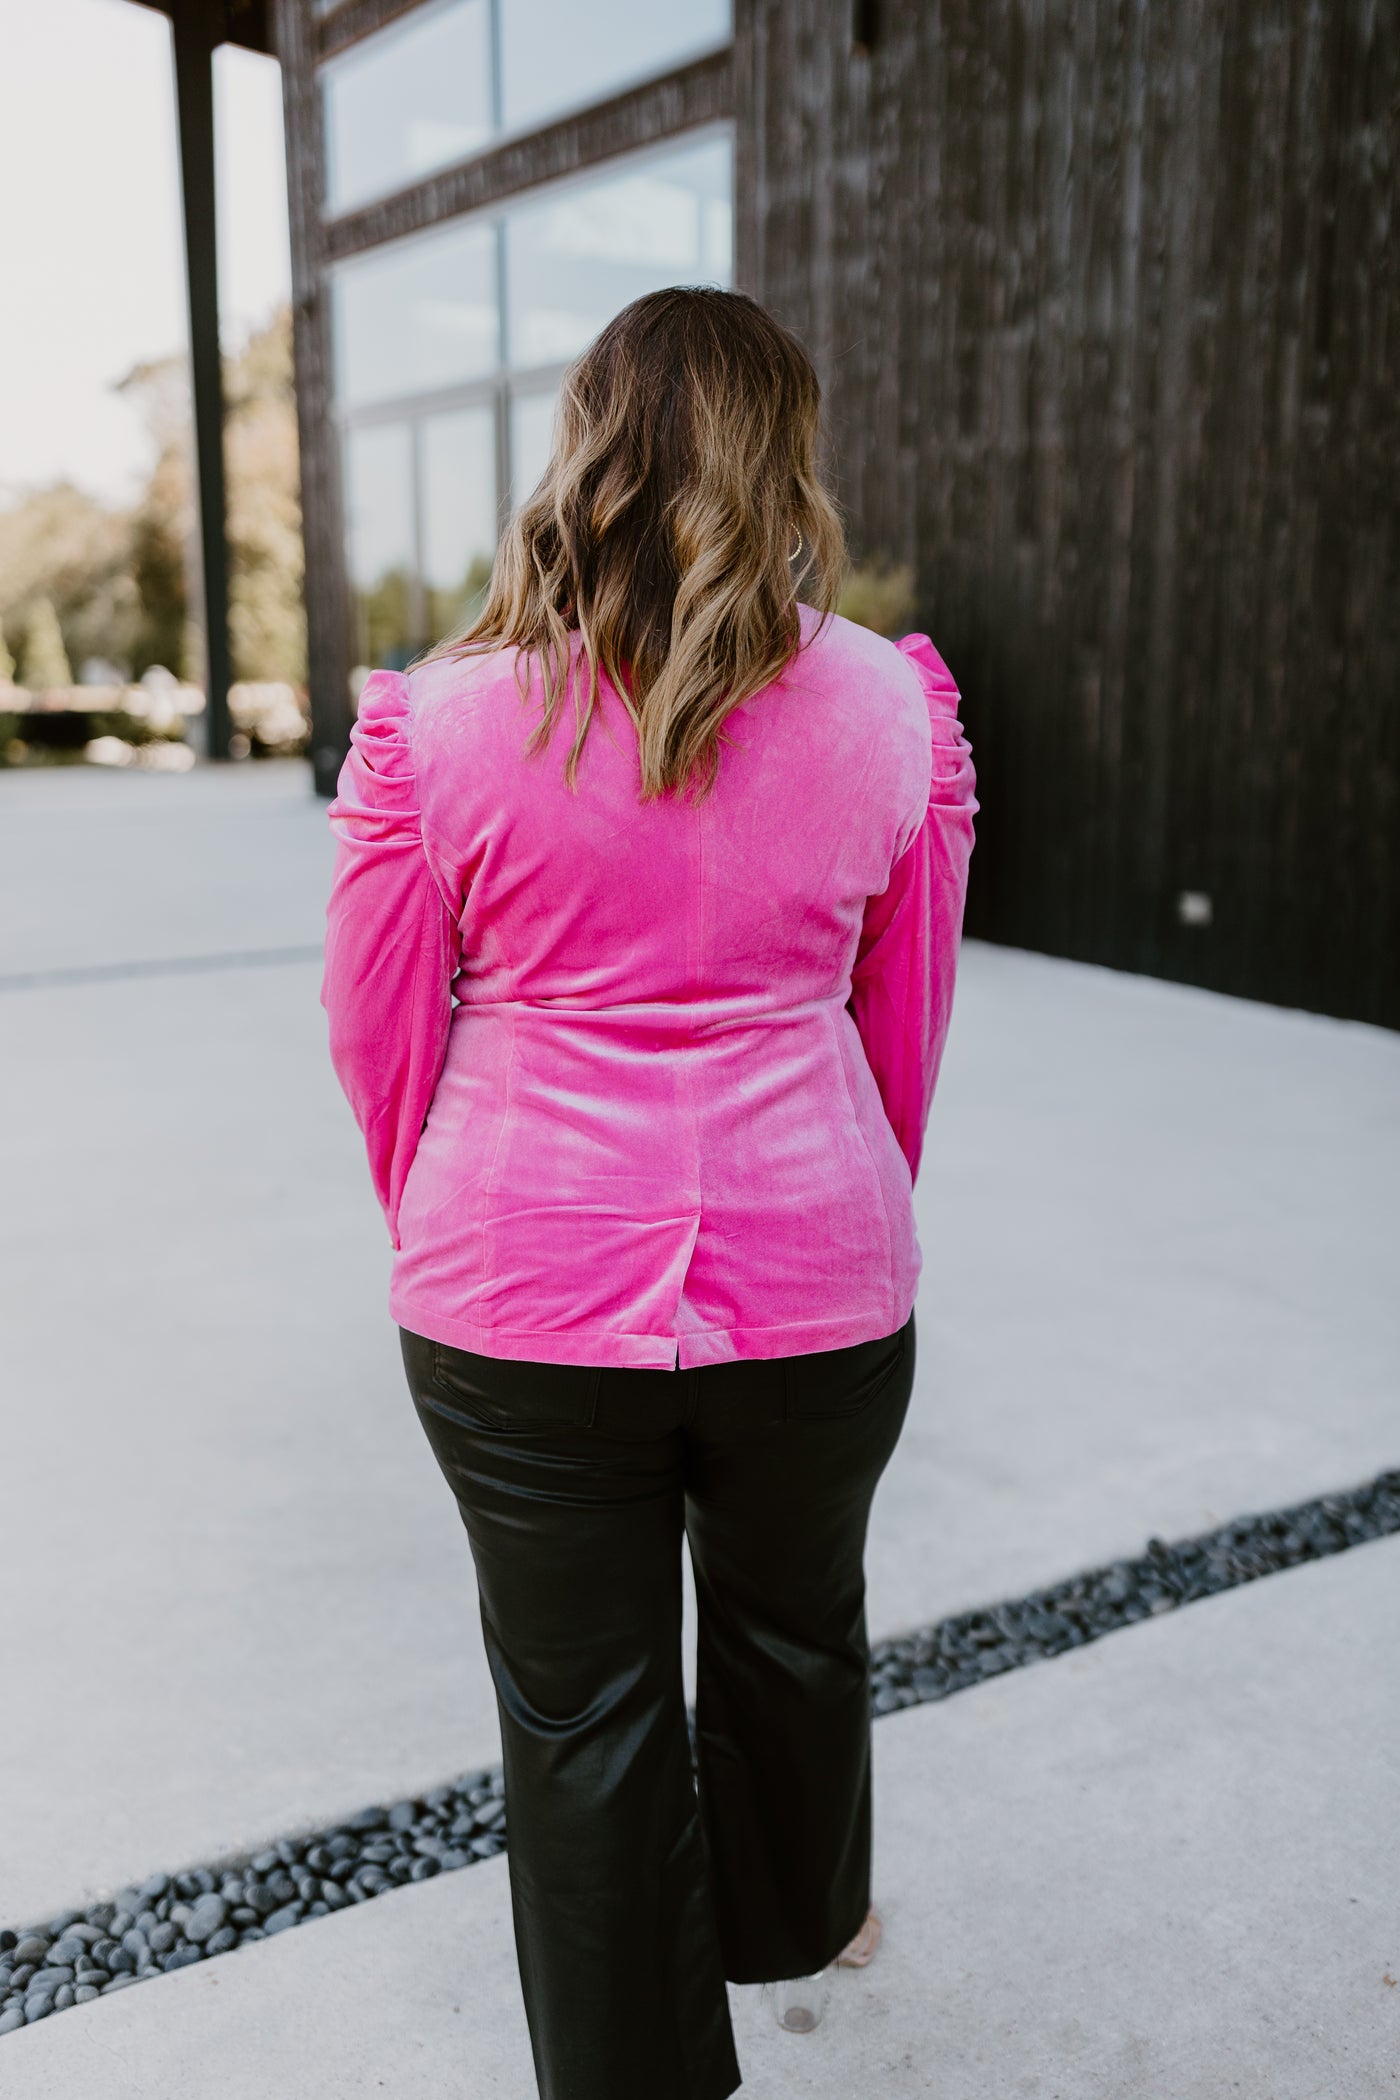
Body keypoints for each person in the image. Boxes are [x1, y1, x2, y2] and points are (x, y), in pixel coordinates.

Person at [321, 285, 976, 2100]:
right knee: (794, 1616)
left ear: (584, 448)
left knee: (581, 1712)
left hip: (514, 1288)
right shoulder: (894, 710)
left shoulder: (433, 727)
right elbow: (900, 1020)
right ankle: (792, 1916)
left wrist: (445, 1226)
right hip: (823, 1271)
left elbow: (378, 1038)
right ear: (790, 458)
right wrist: (852, 1209)